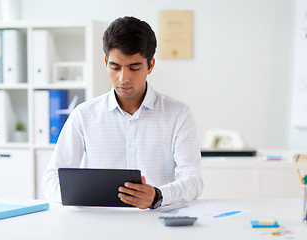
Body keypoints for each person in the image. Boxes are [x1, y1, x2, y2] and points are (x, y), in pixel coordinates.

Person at [42, 16, 203, 209]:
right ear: (106, 62)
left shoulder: (178, 114)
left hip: (156, 222)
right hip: (99, 224)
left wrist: (157, 195)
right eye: (115, 67)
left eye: (134, 68)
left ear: (150, 66)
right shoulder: (84, 115)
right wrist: (84, 194)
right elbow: (51, 180)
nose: (123, 78)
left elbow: (193, 181)